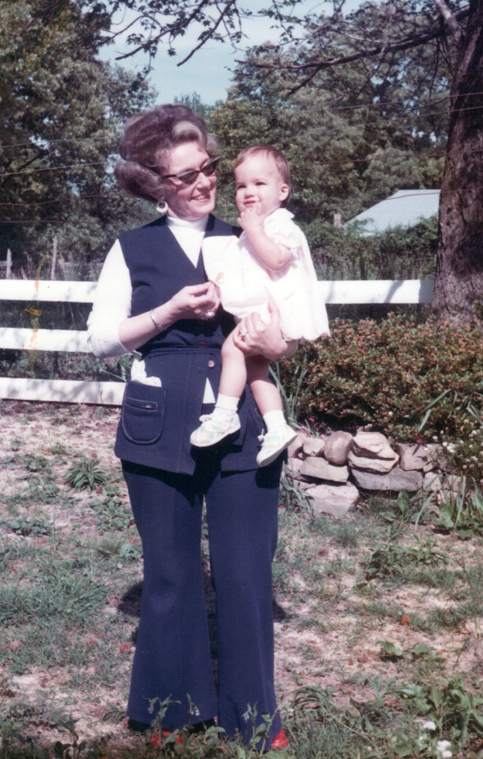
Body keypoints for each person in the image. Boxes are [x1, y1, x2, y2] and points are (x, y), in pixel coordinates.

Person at [87, 105, 294, 749]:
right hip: (156, 426)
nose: (204, 183)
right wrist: (170, 310)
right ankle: (167, 709)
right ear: (157, 183)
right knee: (171, 571)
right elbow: (100, 340)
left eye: (207, 168)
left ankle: (252, 716)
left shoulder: (250, 236)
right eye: (185, 176)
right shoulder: (133, 248)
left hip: (241, 426)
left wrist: (277, 342)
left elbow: (289, 318)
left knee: (245, 569)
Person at [191, 145, 329, 466]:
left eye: (259, 184)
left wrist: (252, 228)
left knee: (231, 350)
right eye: (241, 186)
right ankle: (278, 426)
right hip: (261, 313)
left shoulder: (279, 224)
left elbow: (278, 260)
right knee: (256, 372)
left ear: (283, 192)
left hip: (272, 312)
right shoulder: (256, 228)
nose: (248, 192)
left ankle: (224, 414)